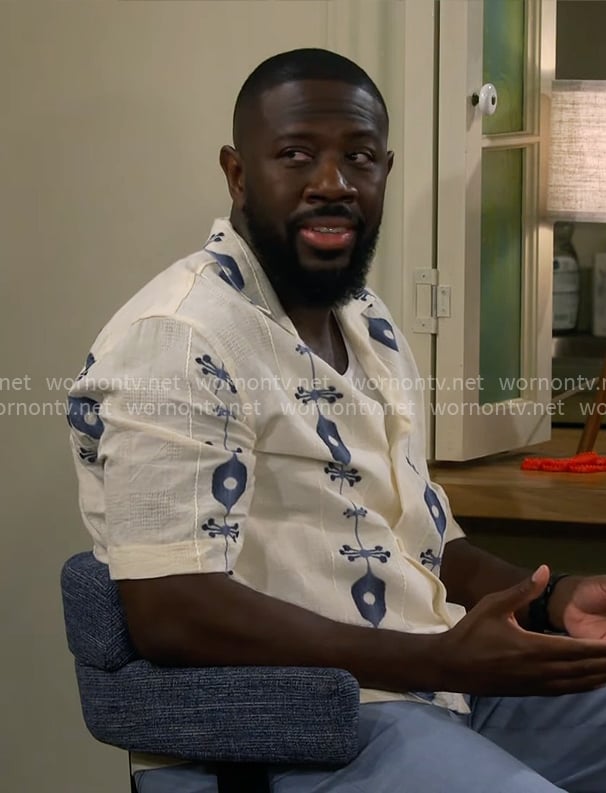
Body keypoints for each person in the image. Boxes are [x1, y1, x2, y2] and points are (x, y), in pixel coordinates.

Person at [68, 48, 606, 793]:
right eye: (296, 155)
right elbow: (170, 608)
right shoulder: (181, 336)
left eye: (359, 157)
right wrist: (441, 658)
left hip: (437, 687)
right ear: (237, 172)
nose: (333, 183)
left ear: (385, 170)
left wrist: (551, 593)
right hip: (307, 728)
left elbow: (423, 540)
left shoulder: (366, 323)